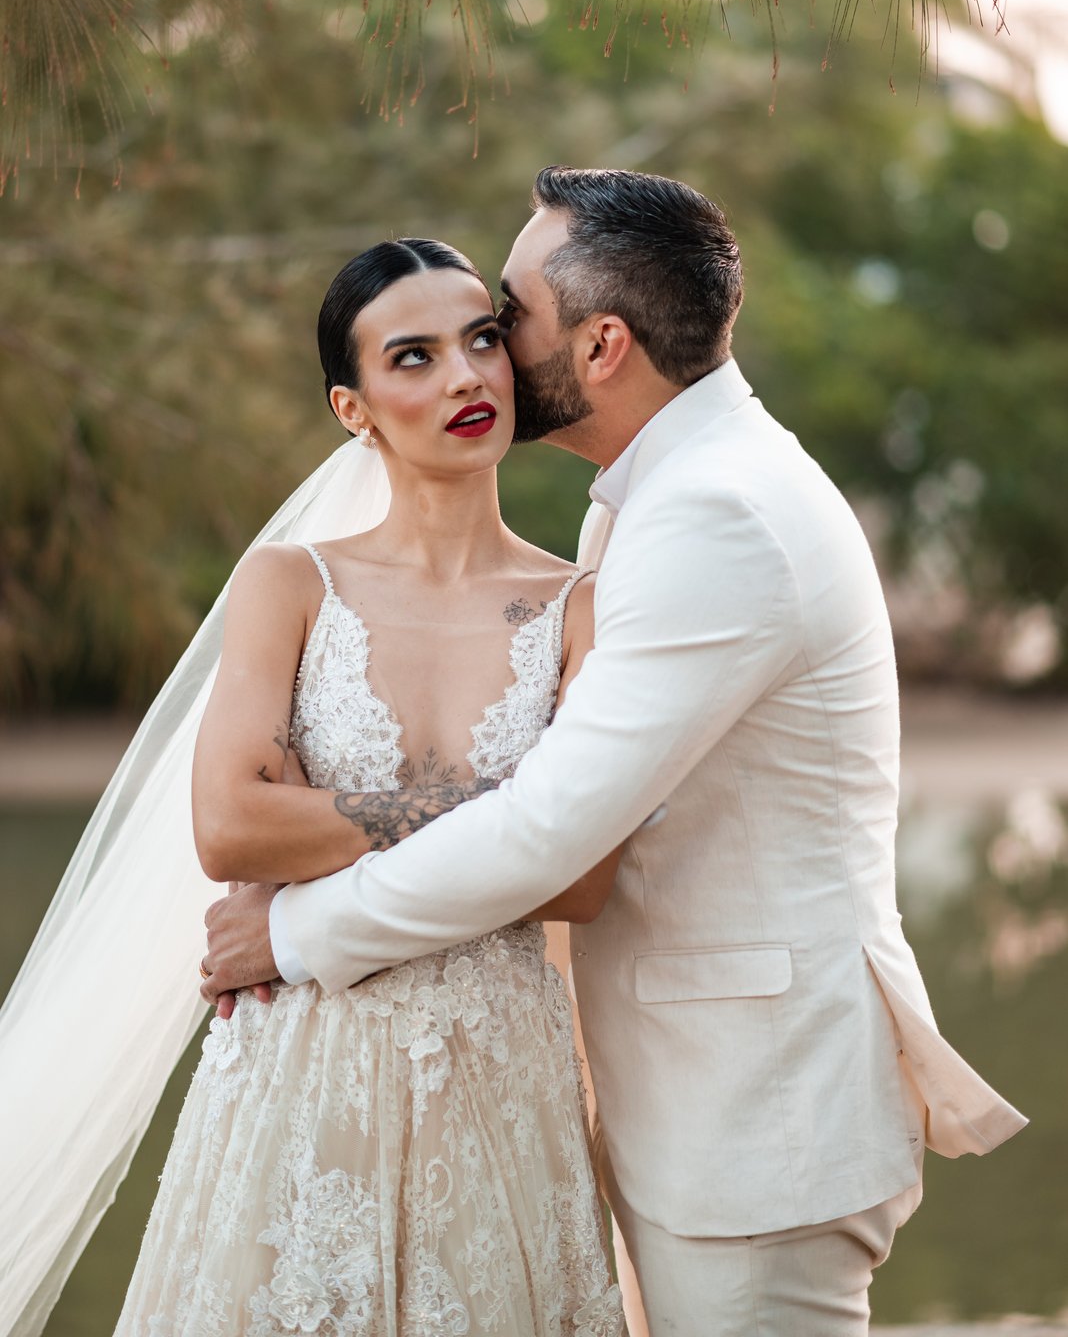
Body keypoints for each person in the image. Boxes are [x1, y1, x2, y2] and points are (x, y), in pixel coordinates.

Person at [204, 166, 1027, 1337]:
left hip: (755, 1123)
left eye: (506, 318)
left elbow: (552, 831)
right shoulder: (652, 496)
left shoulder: (713, 512)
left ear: (600, 346)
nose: (488, 355)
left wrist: (293, 932)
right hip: (682, 1107)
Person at [113, 238, 627, 1335]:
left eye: (481, 339)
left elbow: (582, 878)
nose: (466, 377)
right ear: (353, 408)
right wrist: (513, 818)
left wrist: (312, 827)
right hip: (305, 1070)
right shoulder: (288, 586)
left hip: (500, 1082)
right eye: (414, 356)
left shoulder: (581, 605)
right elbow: (227, 825)